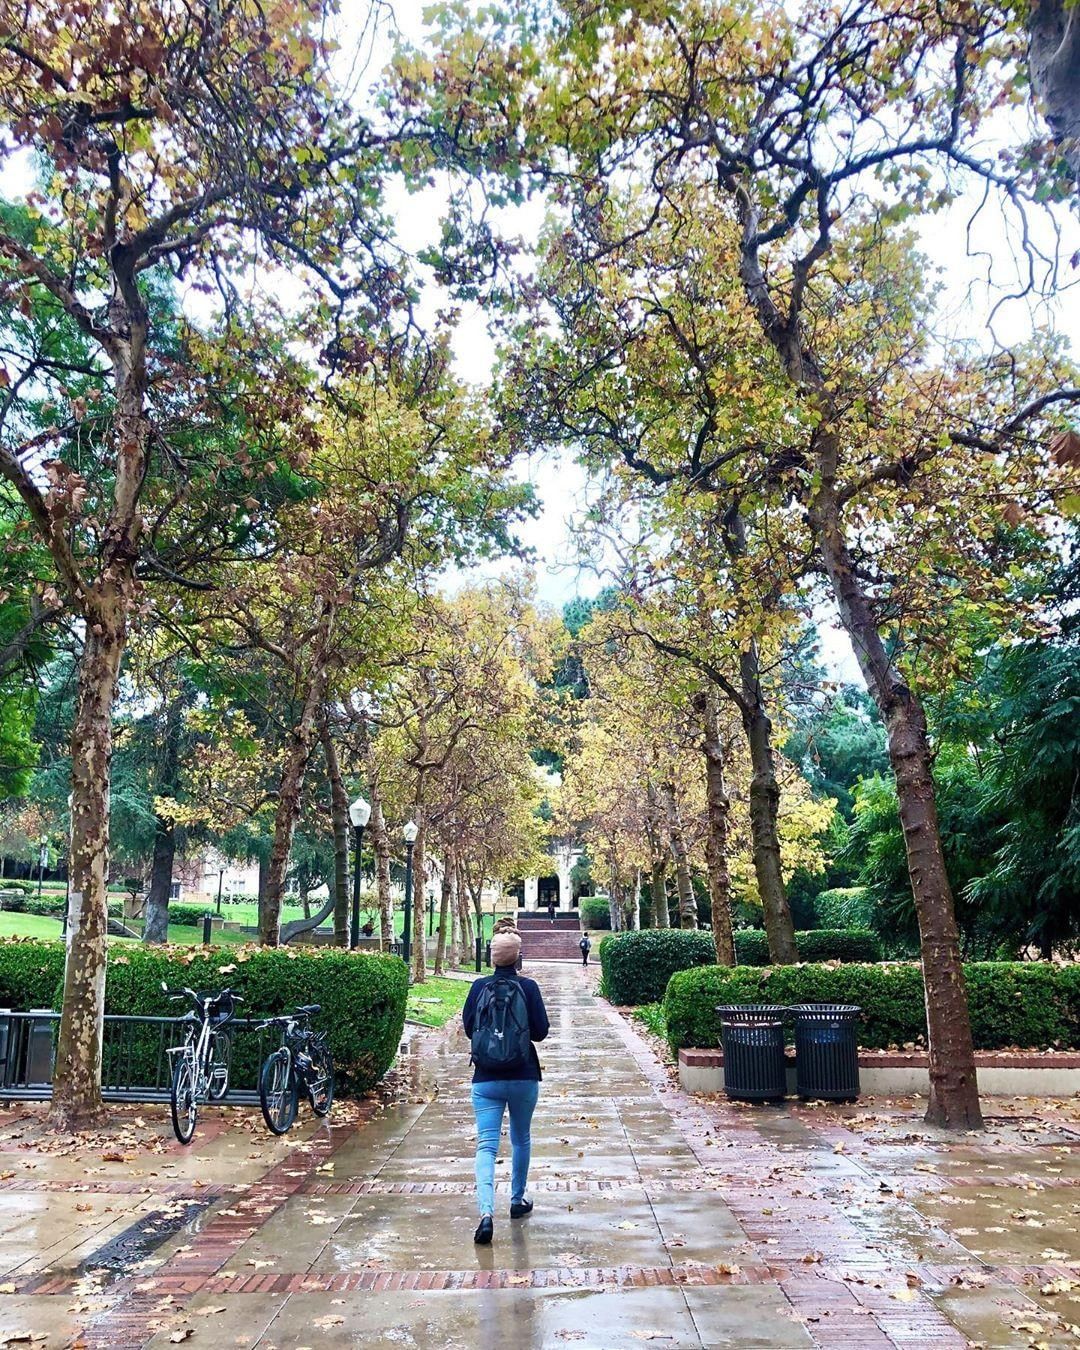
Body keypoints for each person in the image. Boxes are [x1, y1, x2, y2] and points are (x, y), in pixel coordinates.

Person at [462, 928, 549, 1246]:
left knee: (486, 1146)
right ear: (519, 958)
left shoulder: (478, 986)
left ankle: (486, 1214)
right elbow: (540, 1032)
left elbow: (469, 1028)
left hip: (485, 1079)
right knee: (521, 1138)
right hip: (524, 1075)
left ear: (491, 957)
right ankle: (517, 1200)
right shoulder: (528, 987)